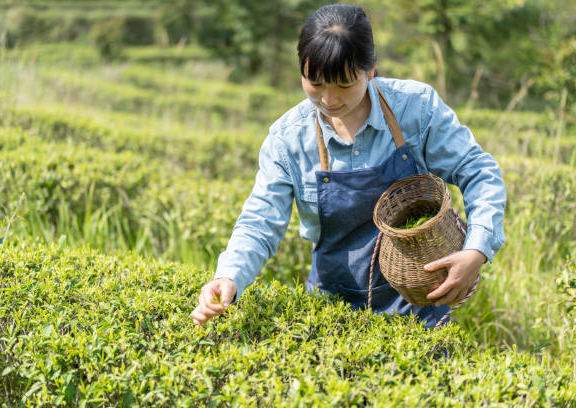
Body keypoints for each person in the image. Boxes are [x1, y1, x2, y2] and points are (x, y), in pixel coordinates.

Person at [189, 4, 506, 328]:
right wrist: (229, 276)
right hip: (330, 311)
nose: (328, 99)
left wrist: (477, 249)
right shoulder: (289, 139)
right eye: (315, 82)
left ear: (370, 70)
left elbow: (477, 170)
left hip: (419, 308)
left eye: (343, 84)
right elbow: (260, 220)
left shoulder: (416, 109)